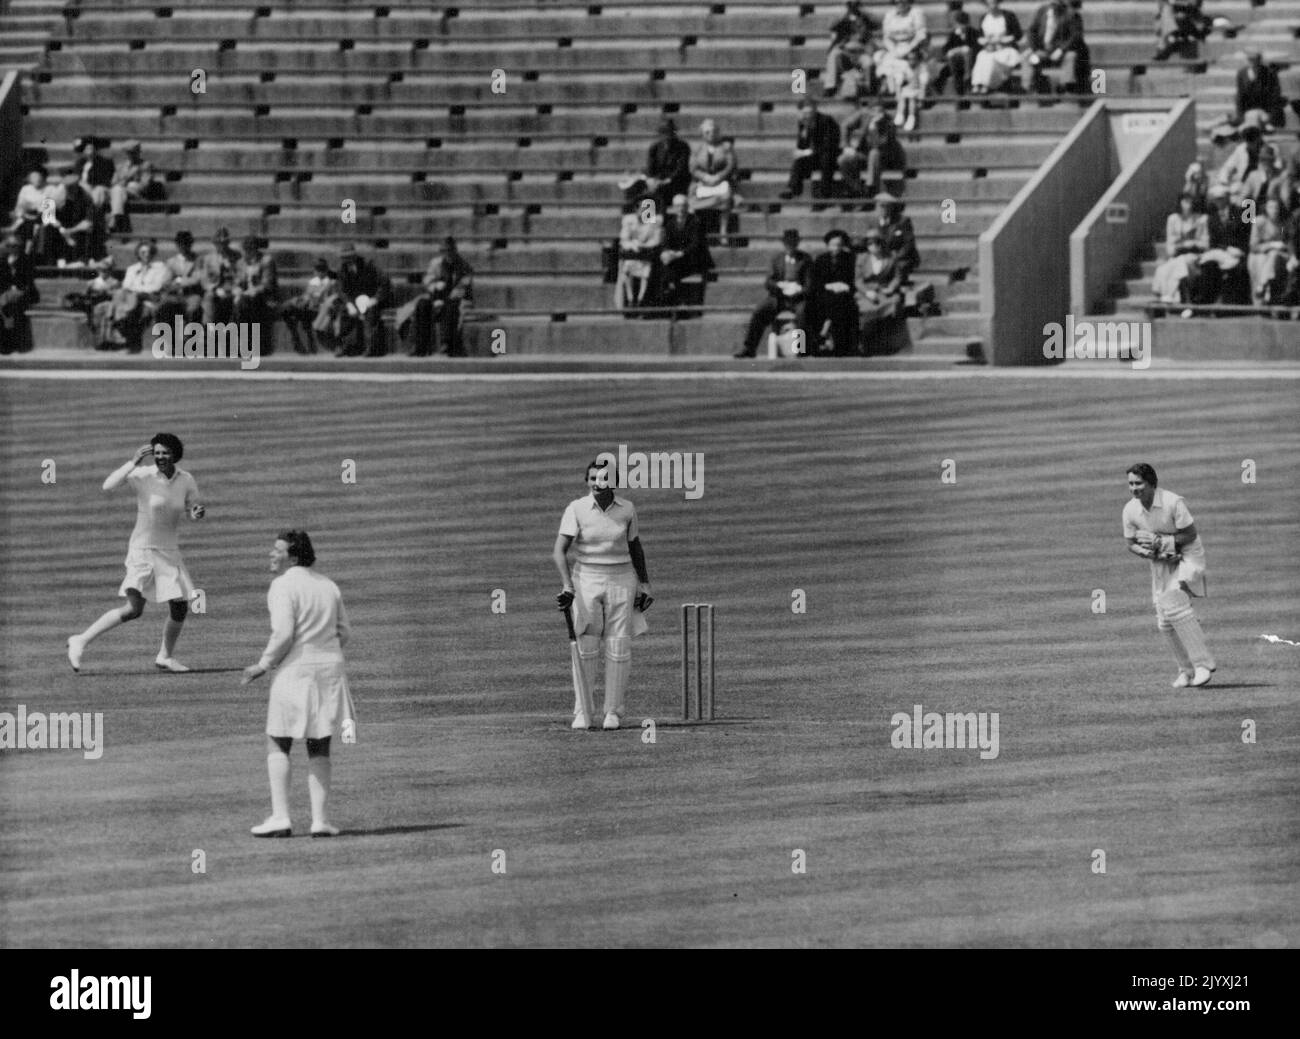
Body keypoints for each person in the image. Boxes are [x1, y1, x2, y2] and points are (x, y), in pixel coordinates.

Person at [241, 530, 356, 838]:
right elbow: (344, 632)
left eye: (277, 550)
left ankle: (281, 817)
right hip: (330, 669)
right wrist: (323, 652)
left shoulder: (282, 585)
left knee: (278, 740)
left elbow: (283, 633)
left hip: (296, 671)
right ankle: (320, 821)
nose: (271, 554)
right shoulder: (328, 585)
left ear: (293, 557)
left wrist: (262, 665)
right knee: (319, 744)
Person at [67, 434, 205, 675]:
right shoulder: (143, 475)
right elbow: (108, 485)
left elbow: (192, 508)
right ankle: (80, 640)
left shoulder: (186, 479)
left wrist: (196, 513)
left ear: (175, 454)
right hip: (143, 550)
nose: (160, 457)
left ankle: (165, 657)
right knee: (134, 609)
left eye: (165, 452)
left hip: (169, 551)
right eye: (157, 452)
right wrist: (133, 462)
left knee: (180, 606)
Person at [552, 459, 653, 731]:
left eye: (603, 478)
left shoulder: (627, 509)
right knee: (586, 645)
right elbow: (559, 551)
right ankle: (583, 711)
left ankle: (613, 712)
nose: (597, 483)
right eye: (592, 478)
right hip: (586, 578)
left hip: (622, 578)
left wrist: (645, 585)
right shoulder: (576, 509)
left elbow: (635, 547)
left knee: (619, 645)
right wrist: (567, 586)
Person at [1122, 463, 1215, 688]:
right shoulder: (1130, 510)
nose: (1135, 488)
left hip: (1189, 556)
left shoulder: (1173, 502)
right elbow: (1130, 544)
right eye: (1131, 484)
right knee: (1164, 620)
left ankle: (1203, 665)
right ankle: (1186, 671)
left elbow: (1191, 534)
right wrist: (1151, 552)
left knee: (1174, 602)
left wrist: (1164, 542)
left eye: (1139, 483)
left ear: (1152, 484)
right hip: (1161, 560)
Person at [735, 228, 812, 358]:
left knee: (803, 312)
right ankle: (749, 348)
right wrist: (780, 286)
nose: (791, 246)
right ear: (784, 244)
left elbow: (809, 283)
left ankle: (801, 349)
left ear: (797, 243)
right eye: (788, 243)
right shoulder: (777, 259)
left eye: (793, 243)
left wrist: (798, 289)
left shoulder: (806, 259)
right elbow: (768, 282)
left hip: (798, 298)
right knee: (759, 311)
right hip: (779, 297)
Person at [401, 235, 473, 355]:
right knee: (422, 305)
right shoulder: (436, 264)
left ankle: (447, 343)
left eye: (450, 251)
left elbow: (462, 288)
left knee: (451, 307)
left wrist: (444, 300)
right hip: (437, 296)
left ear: (455, 251)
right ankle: (420, 345)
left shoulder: (464, 267)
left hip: (456, 299)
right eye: (444, 251)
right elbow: (428, 281)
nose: (447, 254)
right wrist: (435, 288)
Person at [875, 0, 930, 130]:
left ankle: (908, 109)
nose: (900, 4)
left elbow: (921, 34)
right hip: (894, 48)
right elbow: (886, 37)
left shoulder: (916, 13)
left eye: (903, 2)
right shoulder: (890, 15)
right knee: (883, 61)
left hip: (912, 48)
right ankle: (894, 95)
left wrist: (909, 48)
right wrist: (893, 49)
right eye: (897, 2)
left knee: (907, 65)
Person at [1151, 192, 1208, 310]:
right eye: (1185, 202)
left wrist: (1192, 243)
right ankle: (1171, 297)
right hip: (1178, 255)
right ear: (1180, 203)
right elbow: (1170, 247)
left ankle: (1171, 296)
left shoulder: (1201, 219)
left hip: (1195, 254)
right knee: (1162, 269)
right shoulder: (1173, 219)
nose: (1188, 205)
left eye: (1190, 202)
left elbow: (1205, 244)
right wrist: (1180, 245)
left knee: (1183, 263)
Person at [32, 165, 97, 268]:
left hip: (77, 228)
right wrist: (54, 222)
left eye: (72, 187)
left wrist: (70, 231)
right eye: (68, 187)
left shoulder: (86, 196)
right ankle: (51, 263)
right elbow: (45, 215)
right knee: (46, 228)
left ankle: (82, 259)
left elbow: (88, 222)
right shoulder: (57, 194)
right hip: (61, 228)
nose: (70, 190)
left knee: (88, 231)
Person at [855, 228, 907, 354]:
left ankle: (884, 344)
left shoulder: (890, 258)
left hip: (884, 290)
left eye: (876, 243)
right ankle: (865, 343)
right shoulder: (862, 259)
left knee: (892, 305)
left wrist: (891, 287)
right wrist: (867, 292)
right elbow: (858, 280)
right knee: (865, 309)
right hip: (866, 292)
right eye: (870, 244)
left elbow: (897, 277)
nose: (873, 247)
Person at [656, 192, 710, 313]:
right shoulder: (670, 223)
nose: (680, 208)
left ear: (686, 206)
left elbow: (696, 244)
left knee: (670, 269)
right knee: (662, 266)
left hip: (692, 258)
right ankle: (669, 300)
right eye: (678, 206)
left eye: (683, 205)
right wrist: (666, 252)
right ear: (674, 207)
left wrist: (679, 254)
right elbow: (666, 242)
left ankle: (676, 299)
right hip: (675, 258)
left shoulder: (695, 221)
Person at [839, 101, 905, 199]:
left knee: (874, 153)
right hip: (863, 153)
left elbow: (880, 145)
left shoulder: (888, 122)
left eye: (879, 111)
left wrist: (875, 127)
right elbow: (845, 125)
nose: (876, 113)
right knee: (843, 159)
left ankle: (870, 187)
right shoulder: (863, 115)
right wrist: (846, 146)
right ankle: (856, 189)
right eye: (874, 111)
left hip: (882, 157)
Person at [1021, 0, 1088, 94]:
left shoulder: (1071, 14)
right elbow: (1032, 31)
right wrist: (1035, 49)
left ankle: (1066, 88)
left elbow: (1076, 36)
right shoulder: (1042, 11)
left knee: (1070, 56)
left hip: (1061, 52)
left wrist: (1061, 50)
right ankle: (1027, 88)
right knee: (1026, 56)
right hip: (1042, 51)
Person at [781, 98, 842, 200]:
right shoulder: (803, 123)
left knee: (826, 158)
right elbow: (802, 145)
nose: (807, 115)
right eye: (804, 113)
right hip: (815, 156)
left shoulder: (827, 120)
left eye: (810, 112)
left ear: (815, 110)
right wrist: (800, 151)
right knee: (799, 160)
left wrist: (808, 152)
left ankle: (824, 192)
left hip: (830, 155)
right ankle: (792, 189)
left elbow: (829, 145)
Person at [334, 243, 388, 356]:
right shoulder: (342, 270)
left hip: (370, 299)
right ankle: (344, 345)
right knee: (344, 312)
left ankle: (370, 347)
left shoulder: (369, 265)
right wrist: (349, 304)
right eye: (344, 258)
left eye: (349, 257)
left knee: (371, 313)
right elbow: (341, 290)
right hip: (353, 300)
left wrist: (375, 299)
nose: (346, 260)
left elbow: (384, 284)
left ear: (354, 256)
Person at [689, 119, 737, 244]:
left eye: (714, 132)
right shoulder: (697, 148)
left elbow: (730, 166)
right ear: (702, 134)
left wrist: (718, 177)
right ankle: (695, 231)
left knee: (726, 192)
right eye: (707, 132)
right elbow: (693, 168)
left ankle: (723, 230)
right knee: (692, 196)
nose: (711, 135)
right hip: (703, 181)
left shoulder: (725, 147)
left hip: (720, 180)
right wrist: (704, 177)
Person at [810, 228, 858, 354]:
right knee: (827, 302)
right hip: (825, 293)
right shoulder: (821, 260)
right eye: (833, 245)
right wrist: (829, 286)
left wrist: (845, 286)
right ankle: (824, 334)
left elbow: (854, 279)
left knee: (841, 301)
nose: (836, 248)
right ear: (828, 245)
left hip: (844, 294)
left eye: (839, 245)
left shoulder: (850, 259)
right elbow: (815, 281)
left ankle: (827, 330)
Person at [281, 257, 336, 354]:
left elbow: (328, 299)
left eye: (321, 269)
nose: (319, 272)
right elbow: (307, 295)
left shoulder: (330, 282)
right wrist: (301, 300)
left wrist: (314, 300)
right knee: (287, 308)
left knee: (304, 314)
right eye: (317, 269)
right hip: (308, 308)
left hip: (319, 310)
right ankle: (296, 339)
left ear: (326, 270)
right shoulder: (313, 282)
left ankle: (309, 340)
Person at [234, 235, 279, 354]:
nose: (244, 253)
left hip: (263, 297)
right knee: (237, 302)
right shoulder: (240, 263)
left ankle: (248, 344)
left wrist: (253, 291)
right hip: (245, 298)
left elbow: (267, 284)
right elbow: (238, 282)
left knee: (246, 303)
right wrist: (238, 289)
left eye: (246, 249)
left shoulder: (266, 261)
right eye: (243, 250)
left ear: (253, 249)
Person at [108, 140, 165, 234]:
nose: (130, 155)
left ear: (138, 152)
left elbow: (145, 185)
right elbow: (113, 183)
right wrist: (127, 179)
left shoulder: (146, 165)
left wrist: (128, 182)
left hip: (135, 193)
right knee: (112, 190)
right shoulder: (121, 166)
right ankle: (114, 217)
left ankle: (114, 219)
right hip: (120, 192)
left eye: (132, 153)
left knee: (128, 186)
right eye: (128, 153)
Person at [824, 1, 878, 99]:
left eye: (855, 4)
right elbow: (831, 26)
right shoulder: (843, 19)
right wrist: (845, 15)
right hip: (845, 51)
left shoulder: (864, 18)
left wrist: (863, 13)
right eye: (851, 4)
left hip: (861, 51)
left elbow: (877, 23)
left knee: (869, 62)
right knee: (834, 54)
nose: (853, 7)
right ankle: (830, 87)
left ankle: (869, 89)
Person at [970, 0, 1024, 95]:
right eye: (989, 4)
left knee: (991, 59)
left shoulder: (1008, 16)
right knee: (981, 56)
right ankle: (977, 85)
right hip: (990, 48)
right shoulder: (984, 17)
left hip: (1006, 49)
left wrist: (1002, 39)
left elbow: (1017, 34)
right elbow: (980, 37)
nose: (992, 6)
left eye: (994, 3)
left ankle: (987, 85)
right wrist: (986, 41)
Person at [643, 118, 693, 215]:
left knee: (661, 192)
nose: (667, 135)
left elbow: (681, 169)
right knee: (648, 193)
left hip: (677, 182)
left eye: (670, 132)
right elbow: (650, 168)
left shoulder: (683, 147)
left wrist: (666, 180)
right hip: (659, 181)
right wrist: (652, 180)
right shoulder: (655, 148)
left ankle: (662, 222)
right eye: (664, 132)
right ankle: (648, 223)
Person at [1247, 195, 1290, 306]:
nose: (1274, 210)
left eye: (1276, 207)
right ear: (1266, 208)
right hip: (1263, 253)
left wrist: (1280, 246)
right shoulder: (1259, 221)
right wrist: (1272, 245)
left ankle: (1262, 284)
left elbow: (1289, 244)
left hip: (1282, 255)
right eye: (1270, 207)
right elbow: (1253, 246)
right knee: (1269, 256)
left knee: (1274, 255)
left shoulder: (1284, 223)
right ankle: (1264, 289)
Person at [155, 229, 204, 328]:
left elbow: (196, 279)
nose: (183, 246)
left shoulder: (198, 260)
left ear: (190, 244)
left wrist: (178, 281)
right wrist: (181, 282)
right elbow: (166, 281)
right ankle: (166, 338)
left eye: (186, 243)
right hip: (174, 295)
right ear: (177, 245)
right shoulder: (171, 262)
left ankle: (190, 338)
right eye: (181, 244)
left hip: (191, 294)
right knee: (163, 307)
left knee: (193, 309)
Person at [0, 234, 39, 354]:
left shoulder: (26, 260)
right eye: (9, 246)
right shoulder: (2, 260)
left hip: (23, 293)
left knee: (9, 305)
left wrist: (14, 267)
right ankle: (6, 345)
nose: (12, 248)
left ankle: (11, 345)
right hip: (5, 295)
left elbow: (27, 282)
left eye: (15, 246)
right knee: (6, 306)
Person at [198, 226, 240, 324]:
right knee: (209, 298)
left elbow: (240, 274)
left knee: (239, 300)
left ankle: (235, 331)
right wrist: (214, 289)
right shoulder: (208, 258)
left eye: (224, 243)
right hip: (216, 288)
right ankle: (208, 330)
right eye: (218, 243)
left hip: (232, 288)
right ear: (214, 243)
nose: (222, 246)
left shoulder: (236, 256)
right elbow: (204, 280)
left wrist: (235, 287)